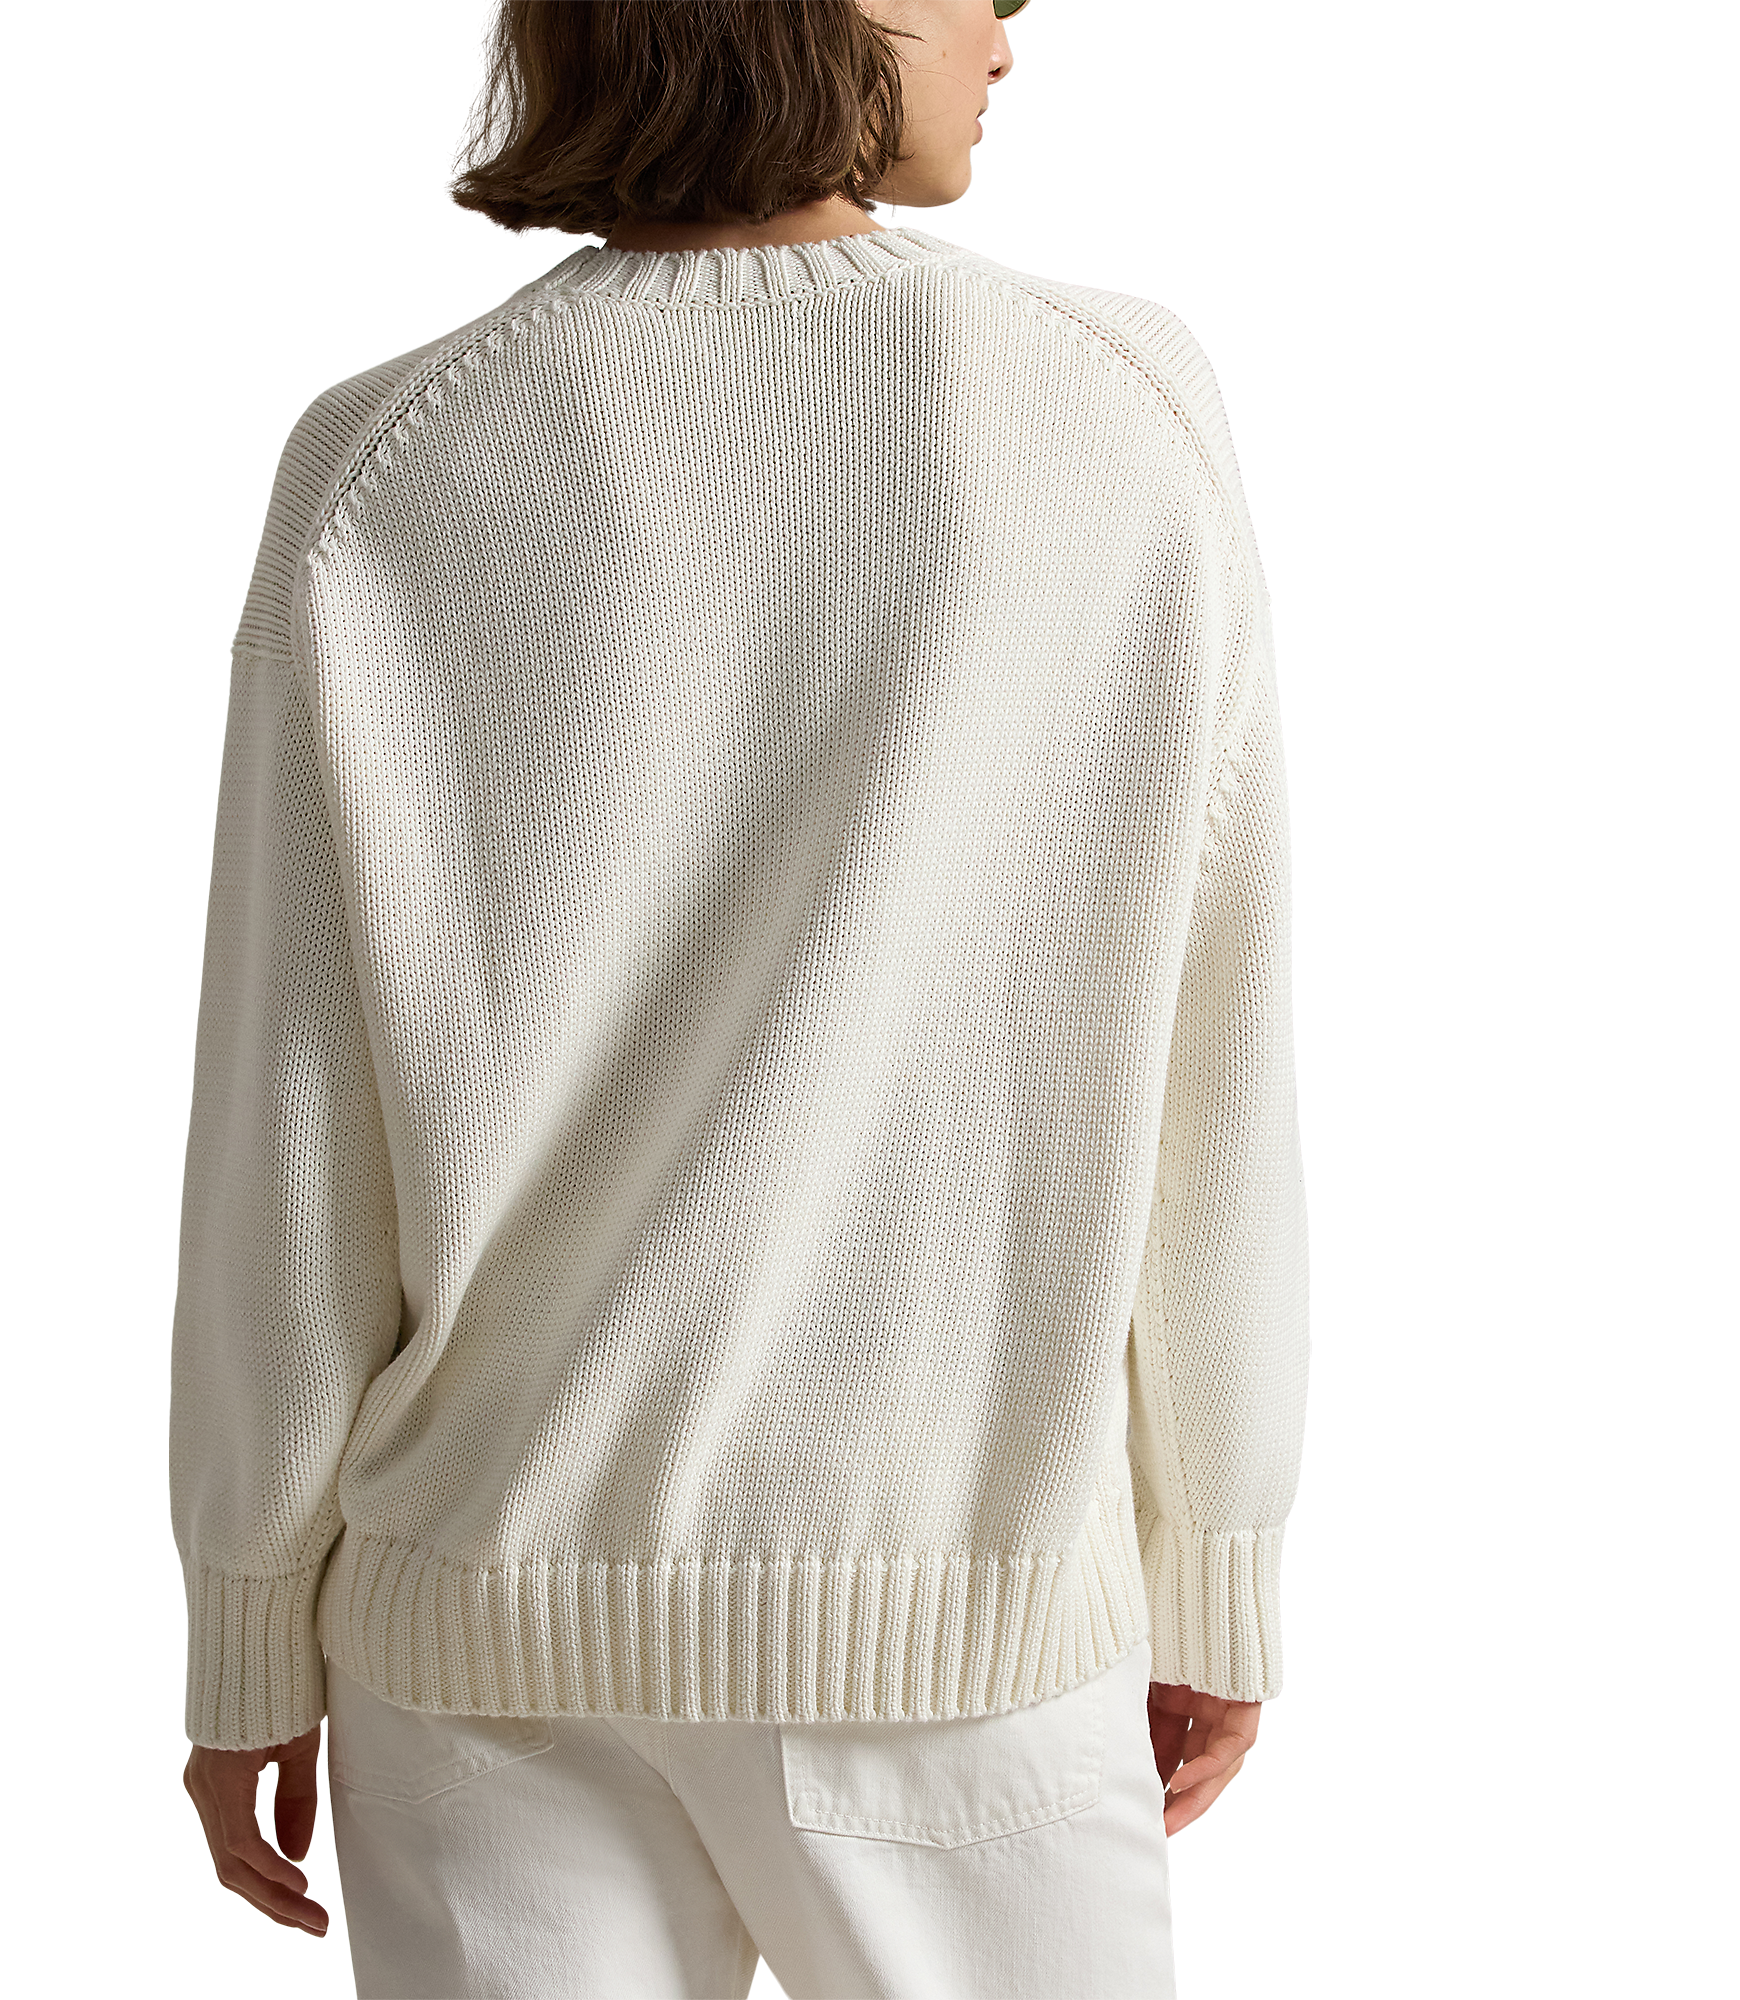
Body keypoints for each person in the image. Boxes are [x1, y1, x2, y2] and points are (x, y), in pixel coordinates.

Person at [171, 0, 1311, 1992]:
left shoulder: (384, 457)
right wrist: (1215, 1544)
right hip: (949, 1621)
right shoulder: (1115, 400)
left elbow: (292, 1115)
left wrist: (248, 1613)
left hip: (478, 1629)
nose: (1010, 38)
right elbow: (1215, 1059)